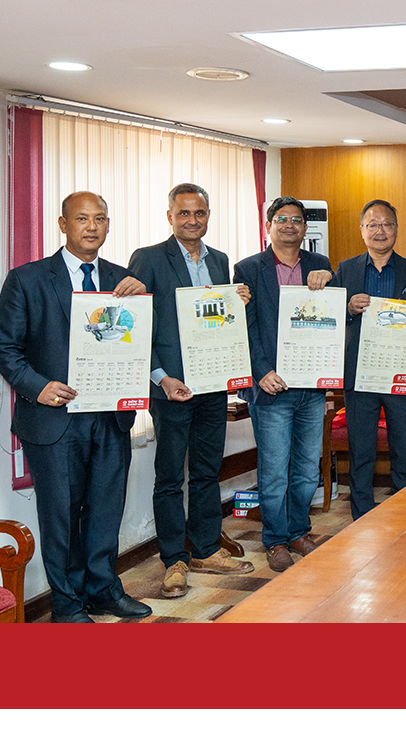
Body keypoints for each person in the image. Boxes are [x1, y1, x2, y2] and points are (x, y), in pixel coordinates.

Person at [0, 191, 150, 622]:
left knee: (105, 510)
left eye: (100, 218)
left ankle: (103, 591)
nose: (92, 227)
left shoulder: (124, 280)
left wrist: (143, 299)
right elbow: (6, 348)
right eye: (82, 219)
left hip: (110, 416)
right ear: (63, 225)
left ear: (108, 225)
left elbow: (138, 341)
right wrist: (38, 387)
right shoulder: (26, 279)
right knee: (62, 517)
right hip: (53, 419)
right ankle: (67, 605)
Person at [128, 183, 254, 598]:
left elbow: (217, 320)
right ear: (170, 217)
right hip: (172, 388)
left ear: (208, 216)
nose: (192, 220)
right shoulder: (148, 259)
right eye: (183, 213)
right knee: (169, 478)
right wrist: (160, 377)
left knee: (205, 472)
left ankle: (205, 549)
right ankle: (173, 560)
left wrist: (237, 301)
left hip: (213, 386)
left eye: (199, 213)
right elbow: (137, 324)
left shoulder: (219, 260)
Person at [234, 196, 334, 572]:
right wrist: (261, 371)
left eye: (296, 219)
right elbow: (246, 327)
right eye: (281, 219)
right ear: (268, 226)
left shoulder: (321, 265)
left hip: (311, 387)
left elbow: (333, 318)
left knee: (307, 468)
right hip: (271, 387)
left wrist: (332, 281)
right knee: (275, 471)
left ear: (306, 228)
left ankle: (298, 531)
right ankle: (275, 540)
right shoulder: (247, 269)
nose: (289, 225)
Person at [331, 199, 406, 521]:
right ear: (362, 230)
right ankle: (362, 520)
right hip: (359, 377)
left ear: (396, 229)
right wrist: (348, 309)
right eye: (373, 224)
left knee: (403, 452)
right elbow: (329, 320)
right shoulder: (346, 270)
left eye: (387, 224)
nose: (380, 230)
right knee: (361, 454)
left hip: (401, 375)